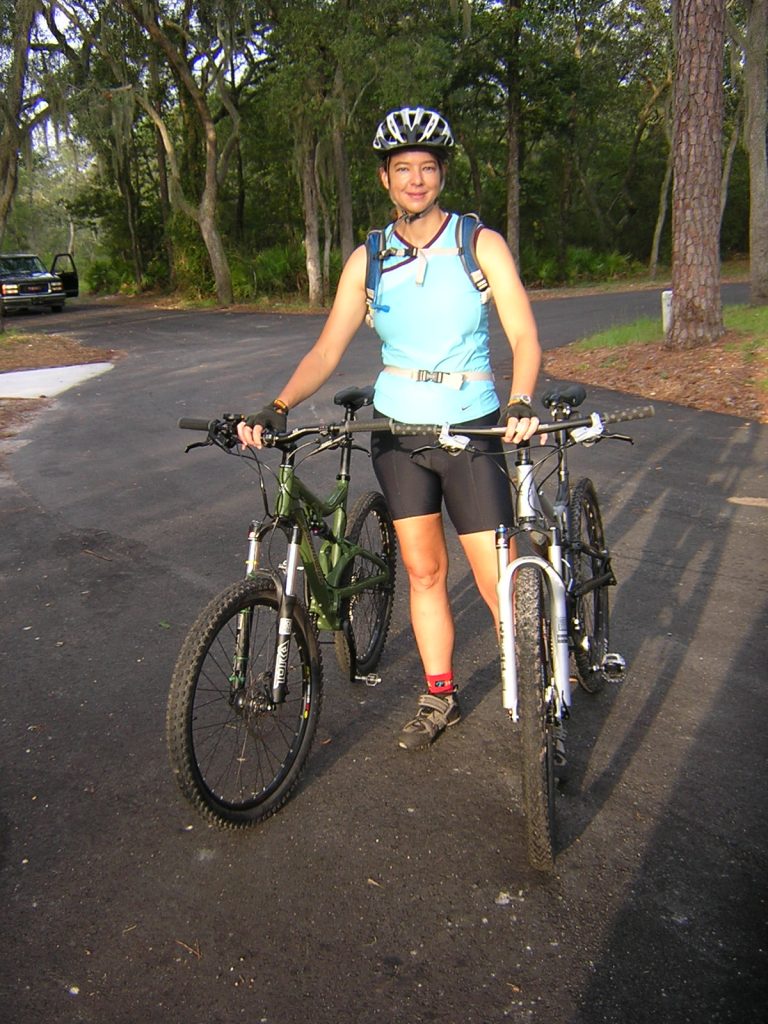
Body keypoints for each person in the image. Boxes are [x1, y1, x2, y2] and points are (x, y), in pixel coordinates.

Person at [238, 105, 542, 751]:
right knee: (425, 572)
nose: (415, 180)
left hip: (472, 428)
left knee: (497, 582)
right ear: (385, 179)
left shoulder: (477, 244)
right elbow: (326, 350)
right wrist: (279, 405)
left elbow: (522, 333)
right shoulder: (368, 259)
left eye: (427, 168)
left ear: (442, 175)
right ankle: (440, 695)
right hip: (399, 433)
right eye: (402, 169)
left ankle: (539, 694)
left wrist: (520, 399)